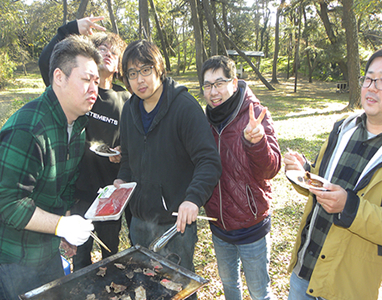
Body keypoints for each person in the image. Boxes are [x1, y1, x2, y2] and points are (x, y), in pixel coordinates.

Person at [284, 43, 382, 300]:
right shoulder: (342, 129)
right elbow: (320, 183)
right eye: (368, 78)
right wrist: (302, 172)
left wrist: (350, 207)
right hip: (304, 270)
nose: (371, 86)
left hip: (346, 288)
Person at [114, 40, 222, 299]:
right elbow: (127, 157)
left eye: (145, 70)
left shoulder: (184, 107)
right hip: (140, 220)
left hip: (176, 225)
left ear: (159, 69)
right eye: (132, 73)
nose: (140, 80)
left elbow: (209, 160)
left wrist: (193, 199)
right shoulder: (130, 109)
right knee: (146, 287)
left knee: (179, 290)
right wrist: (121, 180)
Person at [0, 35, 101, 299]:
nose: (95, 89)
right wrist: (61, 226)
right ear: (59, 77)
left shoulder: (77, 127)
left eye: (97, 81)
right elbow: (7, 203)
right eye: (86, 79)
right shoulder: (28, 129)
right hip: (14, 258)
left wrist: (64, 234)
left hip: (48, 251)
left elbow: (65, 190)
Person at [39, 16, 131, 271]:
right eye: (101, 48)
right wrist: (68, 30)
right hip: (78, 190)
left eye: (113, 51)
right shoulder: (78, 88)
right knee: (80, 258)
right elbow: (48, 62)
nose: (107, 53)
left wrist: (123, 153)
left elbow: (131, 141)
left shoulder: (126, 99)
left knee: (111, 256)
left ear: (119, 64)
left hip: (109, 192)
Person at [201, 55, 281, 300]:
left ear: (234, 83)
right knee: (230, 288)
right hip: (219, 225)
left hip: (251, 225)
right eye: (207, 85)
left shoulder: (254, 113)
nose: (213, 92)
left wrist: (256, 142)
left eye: (220, 83)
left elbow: (272, 168)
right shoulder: (206, 120)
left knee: (259, 293)